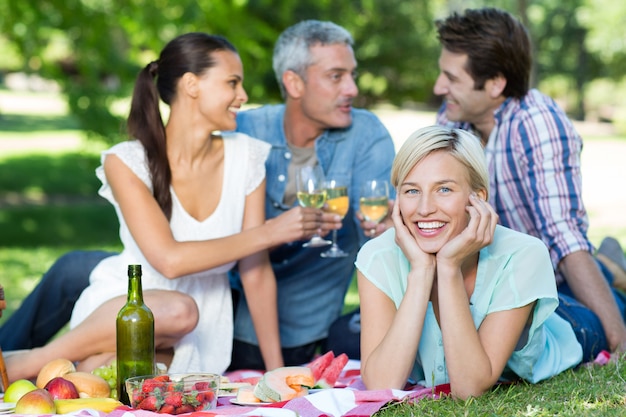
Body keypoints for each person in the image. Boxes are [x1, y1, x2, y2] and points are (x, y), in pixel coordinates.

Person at [0, 20, 395, 369]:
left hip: (208, 318)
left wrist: (276, 373)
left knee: (120, 378)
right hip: (130, 302)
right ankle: (23, 362)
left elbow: (256, 272)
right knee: (167, 308)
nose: (242, 96)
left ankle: (43, 370)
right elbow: (169, 261)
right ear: (191, 85)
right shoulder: (127, 161)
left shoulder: (248, 154)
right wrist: (275, 231)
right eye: (232, 83)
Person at [432, 7, 626, 362]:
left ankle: (610, 275)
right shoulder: (452, 121)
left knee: (531, 341)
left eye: (451, 78)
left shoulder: (536, 122)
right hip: (484, 281)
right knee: (351, 335)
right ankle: (611, 266)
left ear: (495, 83)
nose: (438, 87)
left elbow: (563, 236)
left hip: (551, 279)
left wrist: (619, 343)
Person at [357, 125, 582, 399]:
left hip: (571, 325)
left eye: (444, 189)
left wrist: (448, 267)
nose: (425, 208)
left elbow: (469, 388)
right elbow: (381, 385)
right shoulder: (376, 256)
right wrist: (422, 270)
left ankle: (609, 269)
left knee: (597, 309)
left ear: (477, 197)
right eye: (412, 191)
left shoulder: (524, 254)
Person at [229, 19, 395, 369]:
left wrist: (387, 230)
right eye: (336, 76)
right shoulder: (245, 131)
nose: (351, 88)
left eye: (352, 75)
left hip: (315, 331)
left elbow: (378, 243)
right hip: (233, 319)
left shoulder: (366, 135)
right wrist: (276, 232)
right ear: (294, 82)